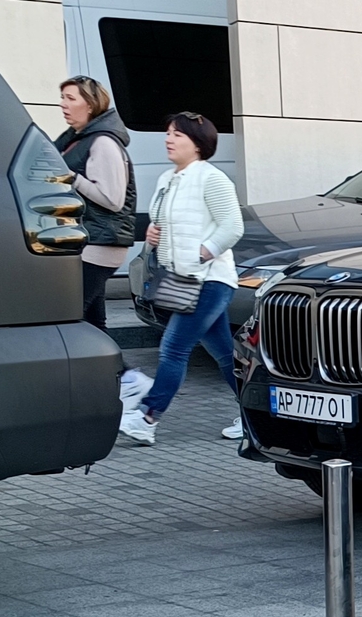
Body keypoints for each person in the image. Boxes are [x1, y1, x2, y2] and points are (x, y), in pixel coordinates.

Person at [123, 111, 242, 446]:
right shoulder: (167, 179)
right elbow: (164, 222)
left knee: (174, 347)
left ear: (198, 143)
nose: (168, 139)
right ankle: (256, 416)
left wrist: (202, 253)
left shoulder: (212, 179)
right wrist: (153, 233)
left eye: (177, 134)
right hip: (183, 279)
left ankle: (147, 417)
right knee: (223, 354)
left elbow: (232, 227)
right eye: (168, 133)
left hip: (210, 279)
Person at [53, 77, 148, 407]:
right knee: (92, 321)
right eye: (61, 98)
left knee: (67, 315)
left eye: (70, 98)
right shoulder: (76, 140)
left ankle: (127, 379)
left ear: (90, 104)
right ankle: (119, 381)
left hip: (100, 244)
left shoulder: (104, 142)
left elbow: (112, 198)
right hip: (86, 242)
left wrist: (72, 179)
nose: (63, 104)